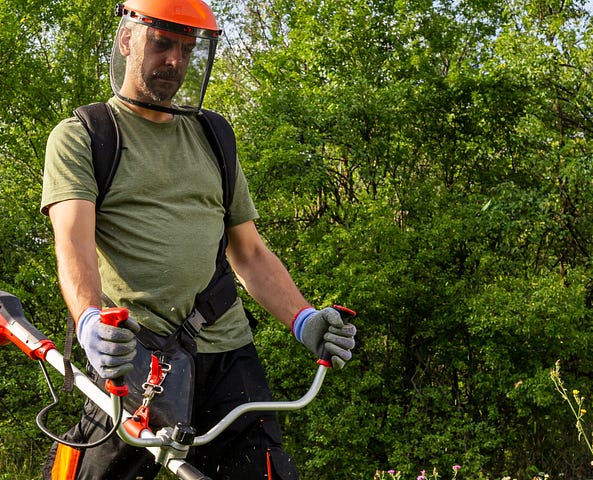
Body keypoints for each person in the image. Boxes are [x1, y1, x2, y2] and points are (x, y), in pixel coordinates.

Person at [40, 0, 358, 478]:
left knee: (265, 471)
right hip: (136, 355)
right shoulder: (85, 135)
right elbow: (74, 246)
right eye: (163, 43)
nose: (175, 60)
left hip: (226, 351)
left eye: (188, 49)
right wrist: (88, 321)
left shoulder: (213, 136)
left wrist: (305, 318)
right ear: (127, 40)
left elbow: (249, 253)